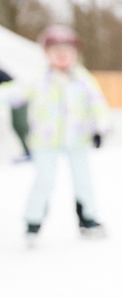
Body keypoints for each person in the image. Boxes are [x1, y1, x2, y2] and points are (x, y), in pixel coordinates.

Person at [0, 25, 110, 244]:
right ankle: (33, 221)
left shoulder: (82, 79)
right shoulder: (39, 79)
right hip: (45, 140)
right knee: (44, 181)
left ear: (75, 54)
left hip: (78, 138)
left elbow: (98, 104)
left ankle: (87, 218)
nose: (61, 57)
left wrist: (100, 128)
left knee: (83, 180)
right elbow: (16, 94)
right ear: (47, 54)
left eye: (66, 52)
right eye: (55, 52)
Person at [1, 67, 31, 161]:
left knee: (21, 125)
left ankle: (31, 151)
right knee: (17, 125)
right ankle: (28, 151)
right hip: (14, 100)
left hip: (19, 98)